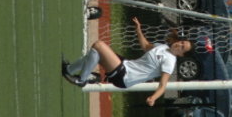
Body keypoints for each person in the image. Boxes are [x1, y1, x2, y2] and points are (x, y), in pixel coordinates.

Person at [62, 17, 194, 106]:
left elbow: (163, 85)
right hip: (126, 65)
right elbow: (145, 46)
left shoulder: (170, 61)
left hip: (125, 76)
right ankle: (69, 69)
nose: (179, 45)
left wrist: (153, 98)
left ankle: (82, 80)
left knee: (99, 45)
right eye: (182, 42)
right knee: (97, 53)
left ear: (181, 54)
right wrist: (138, 29)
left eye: (182, 48)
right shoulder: (163, 47)